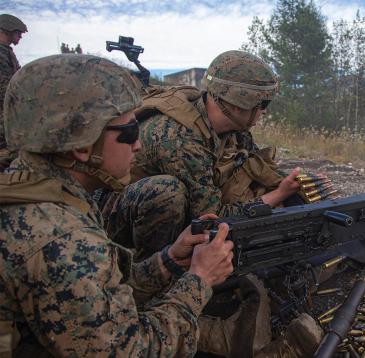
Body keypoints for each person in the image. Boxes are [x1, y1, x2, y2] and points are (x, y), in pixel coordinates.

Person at [0, 54, 321, 357]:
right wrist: (199, 281)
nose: (139, 143)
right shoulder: (62, 239)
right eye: (128, 131)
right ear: (83, 146)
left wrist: (167, 261)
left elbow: (110, 293)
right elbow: (132, 351)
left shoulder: (49, 195)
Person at [98, 50, 301, 260]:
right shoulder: (179, 139)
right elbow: (213, 218)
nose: (264, 111)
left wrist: (293, 182)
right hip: (115, 213)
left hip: (161, 204)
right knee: (168, 192)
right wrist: (279, 194)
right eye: (263, 104)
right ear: (236, 104)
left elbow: (255, 162)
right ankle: (155, 268)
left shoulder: (230, 127)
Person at [0, 13, 27, 171]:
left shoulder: (6, 52)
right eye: (18, 32)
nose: (20, 37)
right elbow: (5, 88)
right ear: (6, 30)